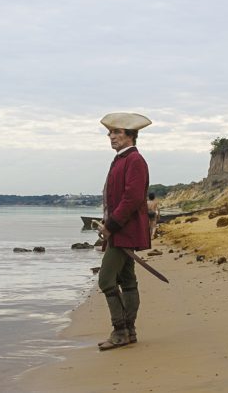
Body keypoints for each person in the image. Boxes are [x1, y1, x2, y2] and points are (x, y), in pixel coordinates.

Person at [96, 112, 151, 351]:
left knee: (106, 280)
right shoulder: (120, 159)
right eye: (110, 132)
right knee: (127, 280)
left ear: (130, 135)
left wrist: (110, 226)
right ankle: (129, 332)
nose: (111, 136)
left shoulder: (135, 160)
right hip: (120, 230)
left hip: (124, 231)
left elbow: (132, 198)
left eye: (117, 132)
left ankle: (120, 332)